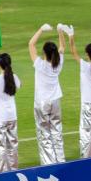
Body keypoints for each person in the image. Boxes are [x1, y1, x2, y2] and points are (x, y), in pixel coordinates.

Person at [29, 24, 67, 165]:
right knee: (57, 131)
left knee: (44, 133)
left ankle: (48, 164)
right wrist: (60, 31)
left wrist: (41, 29)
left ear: (44, 53)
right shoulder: (59, 62)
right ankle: (61, 160)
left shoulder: (40, 64)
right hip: (55, 101)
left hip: (42, 103)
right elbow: (62, 47)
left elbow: (31, 44)